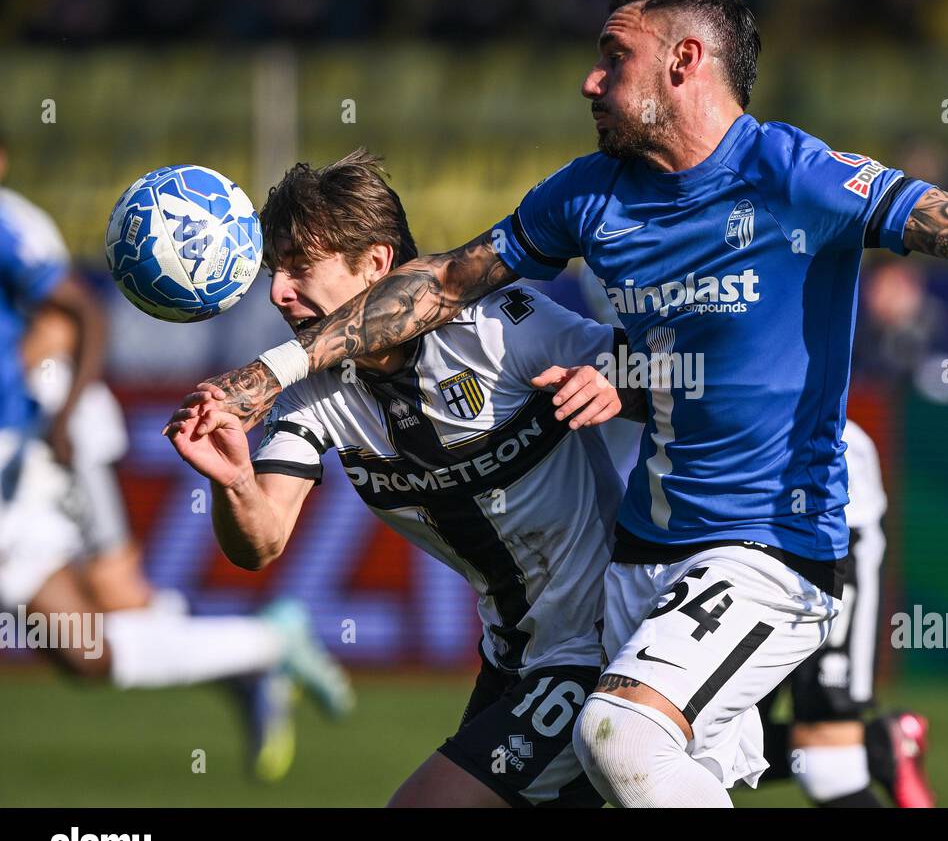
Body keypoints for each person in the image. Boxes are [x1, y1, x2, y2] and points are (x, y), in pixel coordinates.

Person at [183, 0, 948, 807]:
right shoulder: (588, 193)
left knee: (619, 736)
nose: (590, 80)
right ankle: (869, 748)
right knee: (642, 766)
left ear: (685, 62)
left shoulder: (795, 175)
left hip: (766, 547)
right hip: (638, 557)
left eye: (614, 58)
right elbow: (441, 282)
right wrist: (258, 375)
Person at [166, 149, 644, 807]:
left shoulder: (502, 327)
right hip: (513, 661)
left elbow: (663, 375)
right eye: (275, 270)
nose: (278, 290)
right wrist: (235, 483)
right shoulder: (315, 396)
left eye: (301, 266)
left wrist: (619, 378)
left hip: (598, 643)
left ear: (376, 263)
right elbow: (261, 541)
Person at [0, 132, 351, 784]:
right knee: (87, 652)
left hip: (27, 452)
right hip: (30, 458)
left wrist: (63, 411)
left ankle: (260, 650)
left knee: (115, 607)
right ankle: (259, 651)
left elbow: (70, 318)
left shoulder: (10, 223)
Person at [757, 419, 935, 808]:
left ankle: (867, 747)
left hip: (824, 529)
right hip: (711, 536)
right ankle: (878, 745)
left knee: (828, 766)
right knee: (691, 743)